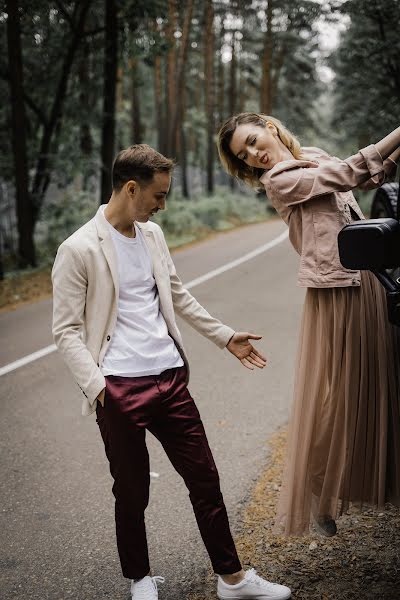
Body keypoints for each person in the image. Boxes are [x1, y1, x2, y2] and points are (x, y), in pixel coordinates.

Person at [51, 144, 292, 600]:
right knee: (132, 490)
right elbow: (64, 330)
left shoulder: (153, 236)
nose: (163, 204)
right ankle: (140, 578)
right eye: (158, 195)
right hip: (119, 387)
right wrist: (99, 389)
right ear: (129, 188)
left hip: (170, 378)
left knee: (205, 478)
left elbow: (178, 295)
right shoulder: (78, 248)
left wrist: (224, 336)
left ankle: (232, 578)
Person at [217, 113, 400, 537]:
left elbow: (368, 179)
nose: (254, 155)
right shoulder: (278, 181)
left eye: (252, 140)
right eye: (245, 156)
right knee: (344, 391)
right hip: (335, 289)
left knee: (380, 376)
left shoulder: (314, 157)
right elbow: (350, 170)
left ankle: (374, 475)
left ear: (268, 126)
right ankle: (318, 489)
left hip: (368, 276)